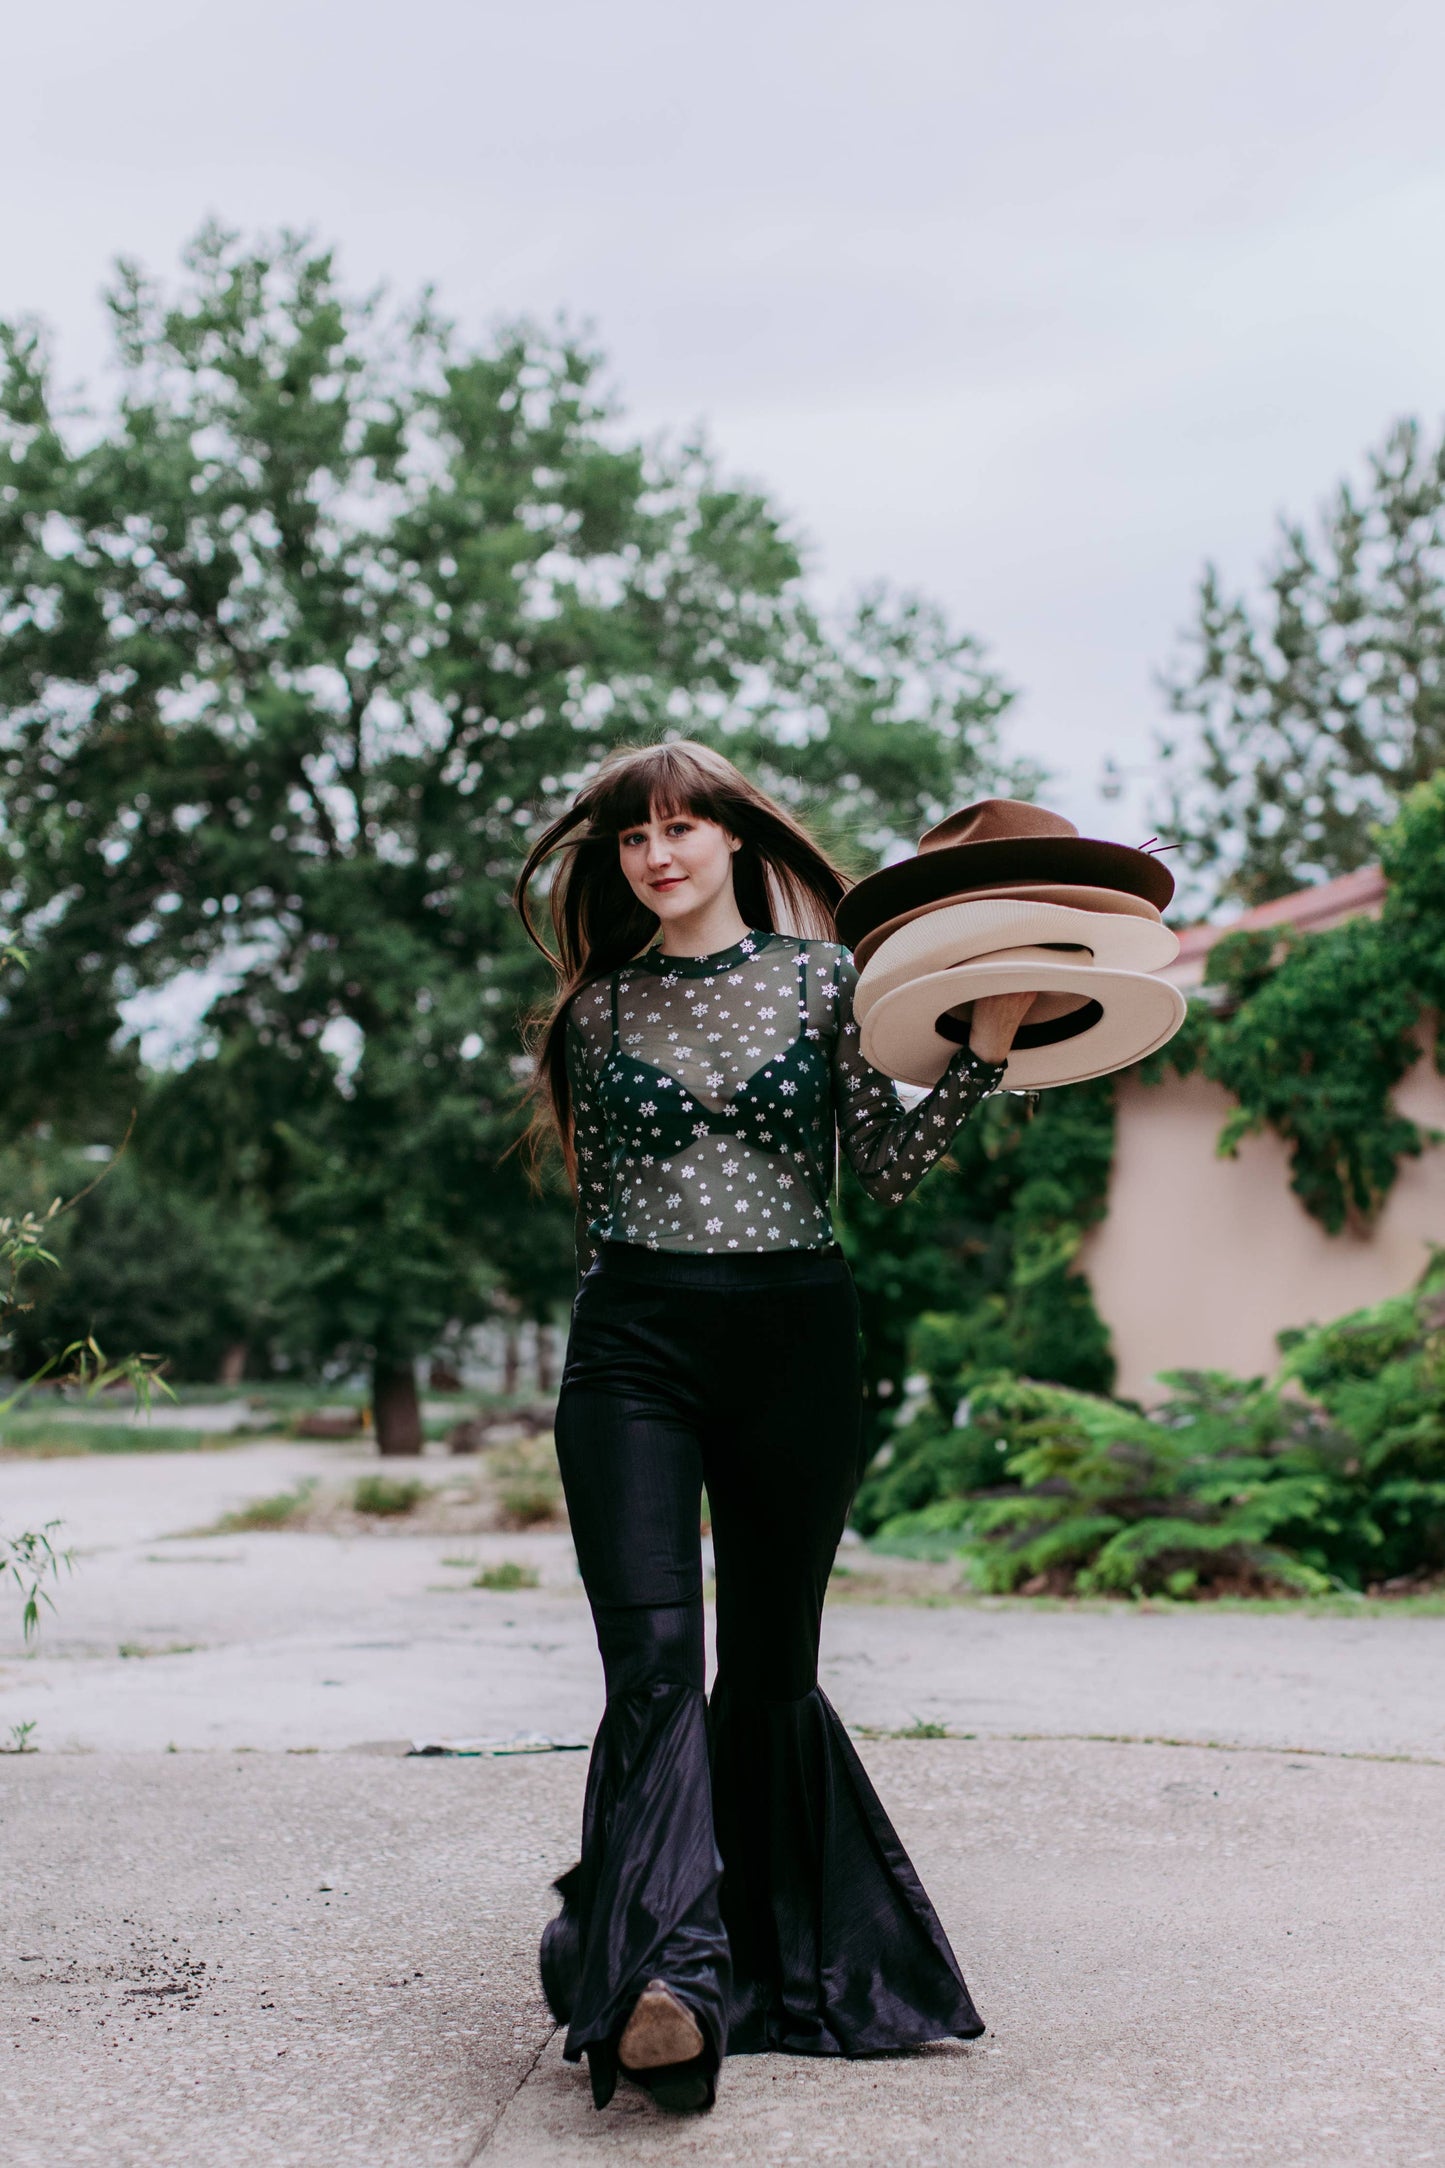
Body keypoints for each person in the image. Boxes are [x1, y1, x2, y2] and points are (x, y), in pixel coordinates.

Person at [515, 741, 1026, 2115]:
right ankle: (667, 1982)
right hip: (633, 1346)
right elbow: (594, 1214)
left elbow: (890, 1168)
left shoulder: (826, 984)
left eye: (680, 828)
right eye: (631, 838)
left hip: (797, 1341)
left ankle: (777, 1965)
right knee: (656, 1666)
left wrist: (983, 1044)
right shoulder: (596, 1013)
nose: (656, 855)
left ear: (735, 841)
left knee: (770, 1673)